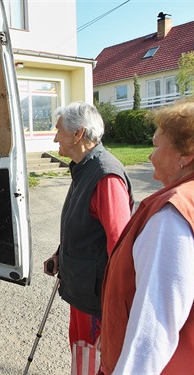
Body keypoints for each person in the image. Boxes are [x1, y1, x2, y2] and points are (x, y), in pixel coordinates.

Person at [99, 96, 194, 375]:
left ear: (186, 156)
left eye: (155, 145)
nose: (150, 156)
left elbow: (153, 329)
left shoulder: (173, 214)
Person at [43, 101, 133, 349]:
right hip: (83, 289)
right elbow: (85, 227)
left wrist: (115, 309)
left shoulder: (105, 175)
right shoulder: (84, 168)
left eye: (58, 130)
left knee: (94, 359)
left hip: (97, 299)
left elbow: (119, 246)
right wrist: (61, 254)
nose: (55, 139)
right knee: (82, 354)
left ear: (78, 133)